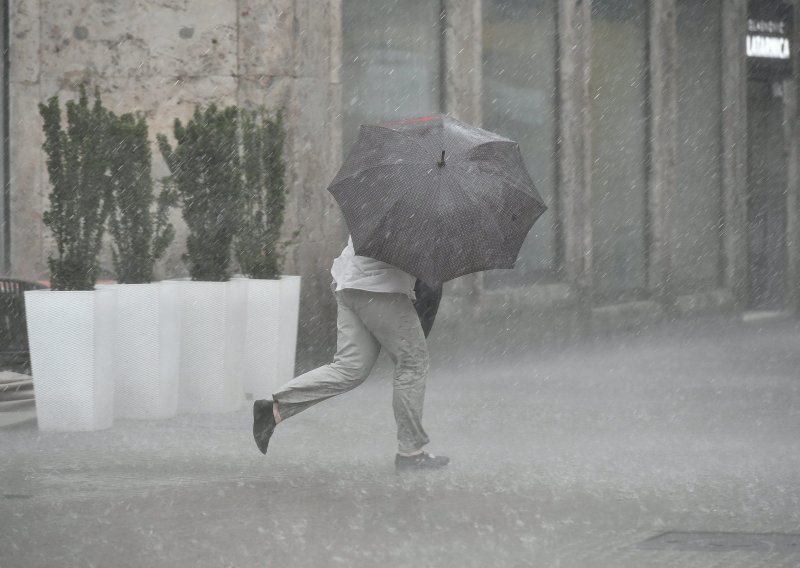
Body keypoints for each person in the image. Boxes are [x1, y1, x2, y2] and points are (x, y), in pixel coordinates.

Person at [252, 236, 448, 471]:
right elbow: (423, 268)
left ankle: (274, 409)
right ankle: (411, 453)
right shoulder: (419, 218)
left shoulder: (386, 205)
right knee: (413, 363)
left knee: (350, 368)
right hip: (380, 288)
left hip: (350, 282)